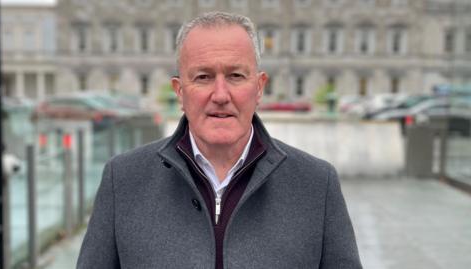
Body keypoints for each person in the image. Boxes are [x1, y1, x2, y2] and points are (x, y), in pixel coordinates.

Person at [77, 11, 362, 269]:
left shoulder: (316, 184)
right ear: (179, 91)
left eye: (236, 76)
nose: (221, 95)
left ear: (259, 87)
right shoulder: (124, 180)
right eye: (203, 77)